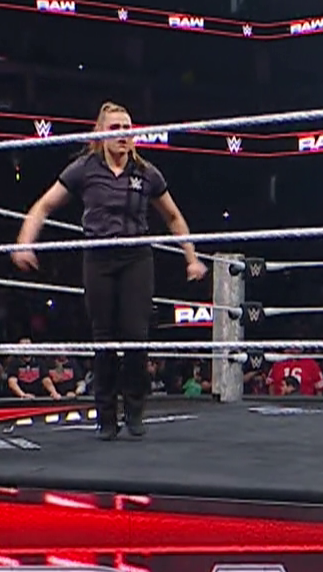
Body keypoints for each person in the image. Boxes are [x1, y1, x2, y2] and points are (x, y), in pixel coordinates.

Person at [14, 101, 208, 441]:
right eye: (115, 128)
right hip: (98, 258)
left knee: (136, 336)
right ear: (101, 133)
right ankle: (105, 417)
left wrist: (191, 257)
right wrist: (24, 243)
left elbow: (173, 216)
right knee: (103, 338)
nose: (122, 134)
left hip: (136, 257)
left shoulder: (146, 172)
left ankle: (134, 410)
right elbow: (43, 206)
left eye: (127, 128)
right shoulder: (84, 169)